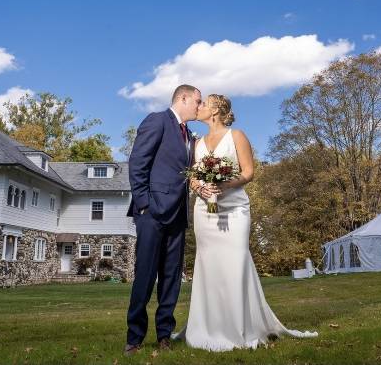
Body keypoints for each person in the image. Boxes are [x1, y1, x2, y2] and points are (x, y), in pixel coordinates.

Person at [171, 93, 318, 351]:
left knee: (236, 261)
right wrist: (199, 186)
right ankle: (206, 325)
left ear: (215, 110)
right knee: (209, 264)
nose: (200, 106)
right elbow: (192, 176)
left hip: (235, 209)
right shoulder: (197, 142)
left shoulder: (236, 135)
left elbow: (249, 173)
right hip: (205, 211)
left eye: (204, 103)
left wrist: (222, 184)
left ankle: (240, 327)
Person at [124, 84, 202, 356]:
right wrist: (144, 204)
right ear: (182, 98)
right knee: (145, 276)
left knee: (171, 279)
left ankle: (164, 335)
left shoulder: (189, 135)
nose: (199, 107)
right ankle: (134, 338)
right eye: (197, 101)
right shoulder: (157, 120)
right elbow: (138, 163)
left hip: (178, 215)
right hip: (152, 213)